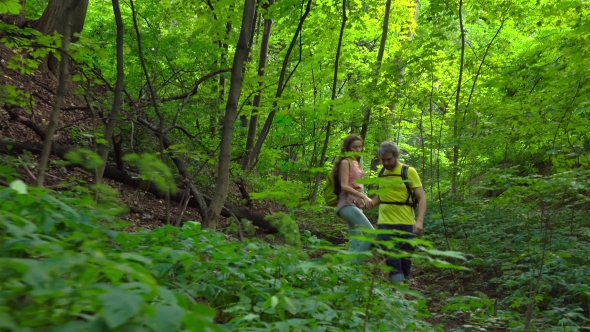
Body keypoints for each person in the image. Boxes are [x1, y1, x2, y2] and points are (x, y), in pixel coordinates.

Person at [370, 141, 426, 283]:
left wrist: (419, 221)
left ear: (396, 156)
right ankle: (398, 289)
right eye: (383, 160)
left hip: (406, 222)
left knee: (405, 257)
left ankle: (404, 285)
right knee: (391, 257)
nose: (386, 163)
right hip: (385, 222)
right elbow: (381, 196)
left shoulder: (408, 171)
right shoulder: (381, 173)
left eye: (389, 159)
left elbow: (421, 197)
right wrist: (369, 203)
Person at [333, 134, 375, 256]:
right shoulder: (346, 162)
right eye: (354, 147)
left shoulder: (356, 163)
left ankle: (346, 269)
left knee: (356, 241)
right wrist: (364, 196)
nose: (358, 150)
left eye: (360, 147)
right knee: (371, 234)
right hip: (346, 204)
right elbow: (345, 186)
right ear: (347, 148)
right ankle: (354, 264)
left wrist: (362, 200)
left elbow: (357, 186)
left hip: (355, 205)